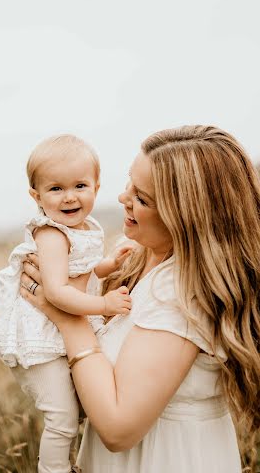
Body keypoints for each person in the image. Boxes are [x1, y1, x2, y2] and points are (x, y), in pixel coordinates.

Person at [21, 125, 260, 473]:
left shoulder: (183, 295)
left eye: (143, 198)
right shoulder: (138, 257)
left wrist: (66, 314)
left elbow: (118, 428)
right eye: (129, 182)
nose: (123, 198)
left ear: (188, 218)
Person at [0, 134, 132, 473]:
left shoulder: (85, 227)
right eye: (55, 189)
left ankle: (72, 464)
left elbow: (82, 270)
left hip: (60, 335)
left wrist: (110, 263)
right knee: (62, 417)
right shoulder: (51, 234)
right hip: (41, 340)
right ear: (36, 196)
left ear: (96, 186)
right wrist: (105, 305)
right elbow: (56, 292)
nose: (69, 197)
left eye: (80, 185)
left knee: (82, 408)